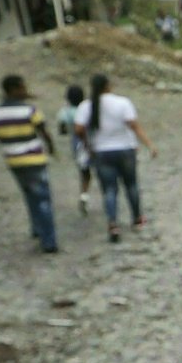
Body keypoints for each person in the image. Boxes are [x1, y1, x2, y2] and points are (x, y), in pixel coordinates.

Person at [0, 73, 60, 254]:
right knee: (43, 198)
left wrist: (3, 132)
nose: (25, 91)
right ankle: (49, 241)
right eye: (23, 87)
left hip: (14, 161)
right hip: (35, 159)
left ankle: (36, 228)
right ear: (14, 90)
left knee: (28, 194)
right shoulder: (30, 110)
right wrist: (52, 148)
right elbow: (44, 132)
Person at [75, 72, 152, 244]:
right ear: (108, 86)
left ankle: (113, 223)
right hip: (125, 149)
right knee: (131, 184)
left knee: (109, 189)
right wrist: (149, 144)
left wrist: (88, 144)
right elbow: (134, 125)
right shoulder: (122, 102)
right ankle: (137, 218)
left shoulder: (86, 106)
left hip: (101, 152)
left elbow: (78, 129)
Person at [59, 81, 96, 215]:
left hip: (77, 144)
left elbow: (62, 130)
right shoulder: (88, 108)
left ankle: (84, 195)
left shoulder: (65, 112)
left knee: (84, 173)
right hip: (93, 142)